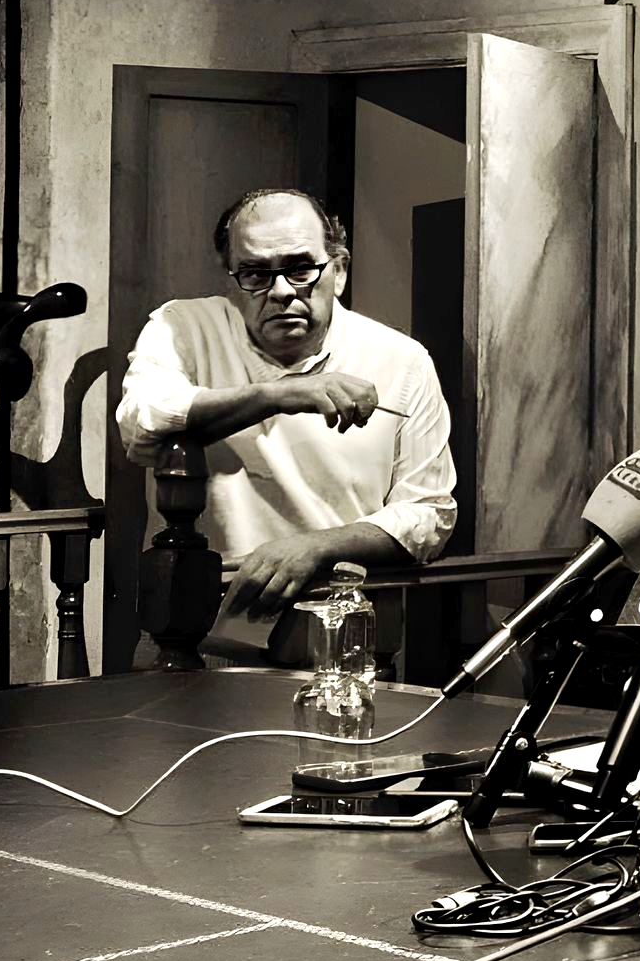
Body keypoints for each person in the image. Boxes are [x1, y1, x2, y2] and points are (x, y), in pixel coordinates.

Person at [116, 188, 456, 654]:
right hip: (193, 637)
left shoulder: (402, 360)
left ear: (339, 270)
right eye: (256, 273)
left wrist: (316, 547)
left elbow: (430, 513)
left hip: (337, 638)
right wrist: (279, 394)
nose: (280, 291)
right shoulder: (185, 328)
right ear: (232, 279)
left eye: (300, 268)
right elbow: (141, 421)